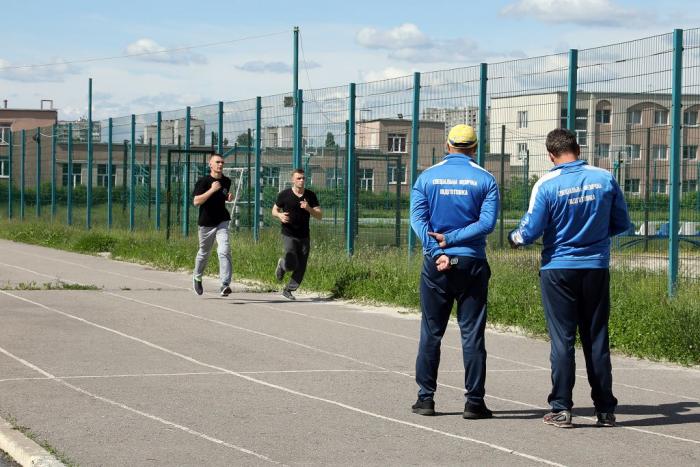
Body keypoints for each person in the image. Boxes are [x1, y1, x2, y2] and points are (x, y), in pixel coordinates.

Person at [508, 128, 631, 429]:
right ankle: (605, 409)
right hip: (596, 266)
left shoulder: (546, 184)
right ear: (578, 149)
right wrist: (594, 236)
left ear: (551, 155)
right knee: (596, 338)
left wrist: (514, 238)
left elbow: (529, 230)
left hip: (558, 268)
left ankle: (562, 408)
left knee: (562, 338)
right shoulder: (605, 178)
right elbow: (621, 223)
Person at [409, 124, 499, 419]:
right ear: (475, 148)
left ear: (448, 146)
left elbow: (418, 222)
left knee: (431, 332)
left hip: (436, 265)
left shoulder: (426, 177)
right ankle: (474, 402)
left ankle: (425, 399)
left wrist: (438, 251)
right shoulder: (486, 179)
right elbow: (486, 224)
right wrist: (453, 239)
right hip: (472, 263)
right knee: (472, 334)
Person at [272, 168, 322, 300]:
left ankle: (288, 289)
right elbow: (274, 210)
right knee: (291, 263)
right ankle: (283, 265)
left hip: (304, 235)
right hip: (289, 233)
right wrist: (279, 215)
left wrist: (308, 208)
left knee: (302, 265)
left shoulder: (310, 195)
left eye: (303, 178)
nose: (301, 180)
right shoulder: (284, 194)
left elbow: (319, 215)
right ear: (293, 180)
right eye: (299, 178)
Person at [192, 153, 234, 297]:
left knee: (224, 250)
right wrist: (212, 190)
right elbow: (196, 201)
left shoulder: (227, 181)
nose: (220, 164)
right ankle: (197, 276)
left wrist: (227, 197)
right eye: (217, 162)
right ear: (210, 164)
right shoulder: (203, 181)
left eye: (222, 162)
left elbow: (222, 196)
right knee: (204, 252)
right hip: (206, 223)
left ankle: (225, 284)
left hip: (222, 220)